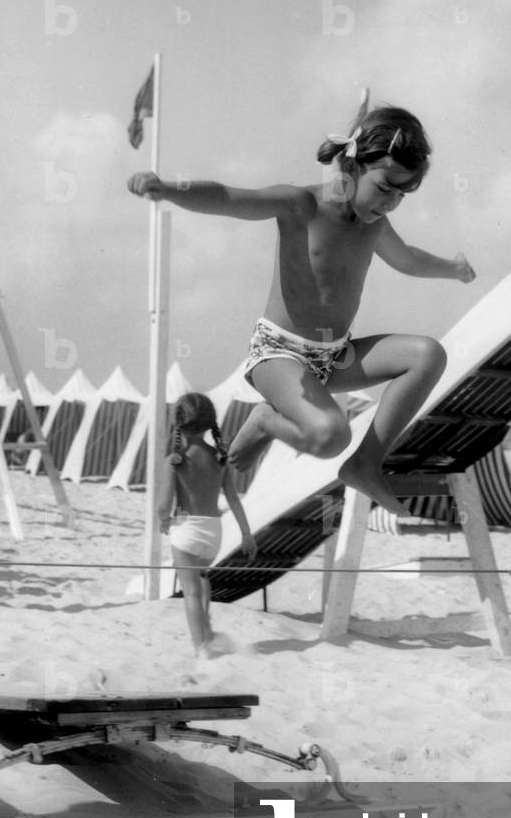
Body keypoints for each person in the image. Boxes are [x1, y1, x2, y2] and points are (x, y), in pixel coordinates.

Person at [128, 94, 476, 516]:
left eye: (401, 195)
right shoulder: (301, 204)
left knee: (427, 355)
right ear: (351, 165)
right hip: (278, 355)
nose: (390, 203)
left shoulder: (376, 225)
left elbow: (408, 260)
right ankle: (266, 420)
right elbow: (230, 197)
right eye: (384, 188)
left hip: (335, 356)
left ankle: (366, 464)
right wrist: (169, 189)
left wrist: (452, 268)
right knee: (331, 436)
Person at [157, 393, 257, 657]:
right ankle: (208, 629)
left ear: (178, 422)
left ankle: (201, 645)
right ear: (209, 422)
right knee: (201, 580)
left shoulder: (175, 461)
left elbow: (164, 505)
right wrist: (247, 533)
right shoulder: (219, 458)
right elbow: (234, 499)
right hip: (214, 532)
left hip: (186, 529)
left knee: (189, 592)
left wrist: (163, 520)